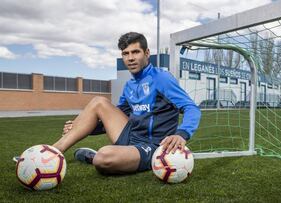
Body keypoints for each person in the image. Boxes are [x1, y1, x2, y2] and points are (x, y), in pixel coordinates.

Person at [13, 32, 201, 174]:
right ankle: (51, 153)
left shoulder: (162, 79)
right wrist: (82, 127)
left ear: (147, 53)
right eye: (126, 53)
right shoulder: (129, 85)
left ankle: (92, 156)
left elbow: (191, 108)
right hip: (130, 136)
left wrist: (182, 134)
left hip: (152, 145)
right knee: (99, 102)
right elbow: (114, 117)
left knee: (103, 159)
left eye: (135, 52)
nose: (131, 58)